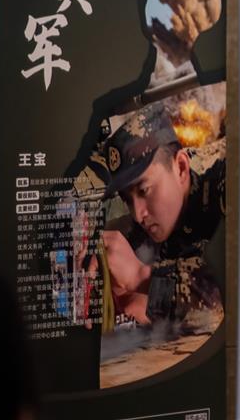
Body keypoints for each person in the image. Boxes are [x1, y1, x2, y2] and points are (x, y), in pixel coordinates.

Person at [87, 100, 226, 327]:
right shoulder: (146, 222)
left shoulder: (225, 186)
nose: (138, 214)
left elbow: (238, 288)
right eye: (127, 200)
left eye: (144, 190)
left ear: (181, 167)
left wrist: (141, 277)